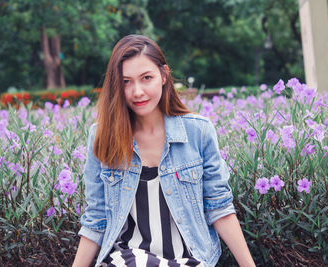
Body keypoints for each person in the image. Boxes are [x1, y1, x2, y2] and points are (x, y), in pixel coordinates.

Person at [72, 34, 255, 267]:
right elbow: (96, 219)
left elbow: (219, 208)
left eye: (146, 78)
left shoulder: (198, 132)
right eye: (126, 81)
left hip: (190, 259)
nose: (137, 91)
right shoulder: (102, 137)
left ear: (164, 76)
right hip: (126, 259)